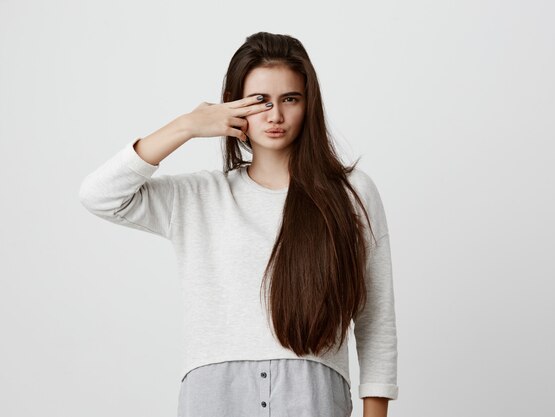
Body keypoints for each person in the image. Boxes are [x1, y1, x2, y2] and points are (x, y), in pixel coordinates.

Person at [79, 31, 398, 417]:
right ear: (233, 106)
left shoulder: (351, 193)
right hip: (214, 396)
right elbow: (99, 195)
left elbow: (375, 315)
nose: (275, 115)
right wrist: (186, 126)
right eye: (259, 101)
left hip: (313, 393)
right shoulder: (200, 196)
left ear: (308, 105)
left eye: (290, 99)